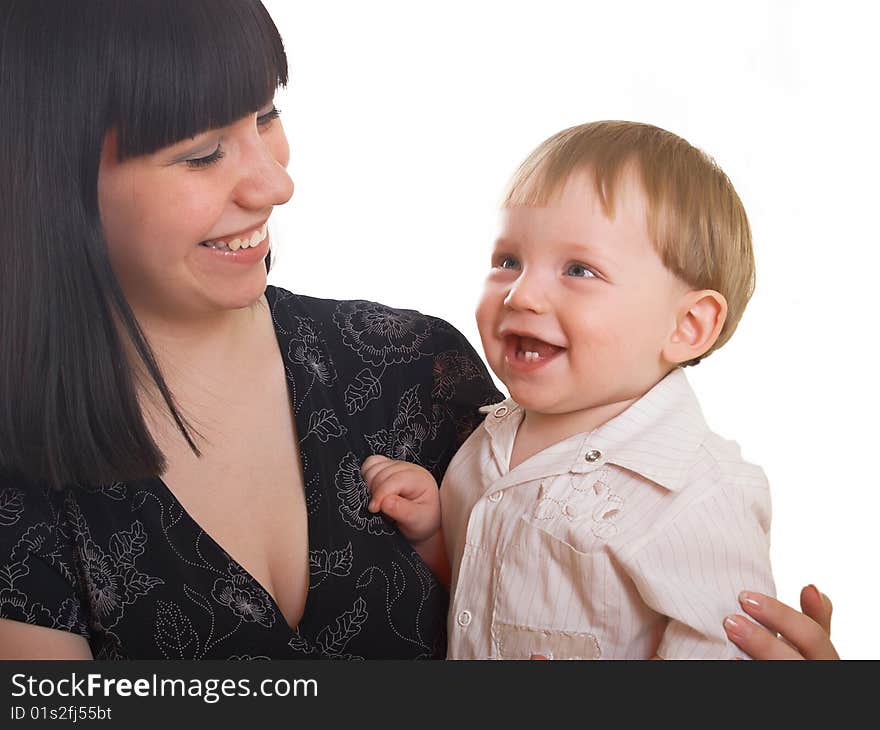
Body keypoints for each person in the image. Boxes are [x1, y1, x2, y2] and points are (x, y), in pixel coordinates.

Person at [0, 0, 836, 661]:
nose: (274, 183)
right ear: (56, 178)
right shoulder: (26, 465)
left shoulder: (417, 373)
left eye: (265, 117)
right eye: (200, 153)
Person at [362, 121, 837, 659]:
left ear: (687, 325)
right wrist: (432, 536)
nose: (521, 294)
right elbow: (486, 602)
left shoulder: (698, 496)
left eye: (579, 269)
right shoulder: (487, 438)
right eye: (508, 261)